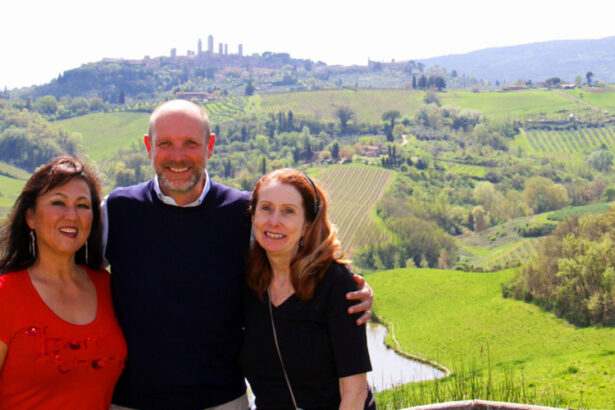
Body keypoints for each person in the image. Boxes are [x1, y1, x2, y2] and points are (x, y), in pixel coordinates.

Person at [104, 99, 373, 410]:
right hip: (130, 401)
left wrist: (352, 290)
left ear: (210, 147)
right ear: (149, 146)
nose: (178, 156)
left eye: (191, 143)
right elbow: (66, 275)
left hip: (222, 402)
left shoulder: (243, 214)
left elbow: (296, 262)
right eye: (166, 143)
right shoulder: (116, 210)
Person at [241, 168, 375, 409]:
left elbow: (354, 392)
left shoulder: (335, 284)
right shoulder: (249, 284)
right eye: (266, 208)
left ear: (306, 225)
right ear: (253, 217)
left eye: (288, 212)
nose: (274, 221)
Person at [0, 156, 127, 409]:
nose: (72, 215)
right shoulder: (6, 295)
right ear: (30, 218)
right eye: (58, 202)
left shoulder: (107, 287)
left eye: (83, 205)